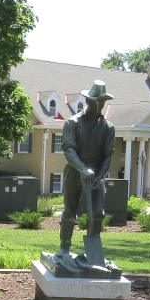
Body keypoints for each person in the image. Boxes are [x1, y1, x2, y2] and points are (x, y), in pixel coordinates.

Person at [55, 80, 116, 267]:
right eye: (96, 101)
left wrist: (98, 176)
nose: (99, 106)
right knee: (69, 211)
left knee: (98, 213)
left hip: (97, 174)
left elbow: (107, 156)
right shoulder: (72, 123)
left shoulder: (108, 128)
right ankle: (64, 247)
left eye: (102, 102)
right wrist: (82, 168)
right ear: (88, 101)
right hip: (75, 171)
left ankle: (93, 252)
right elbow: (68, 149)